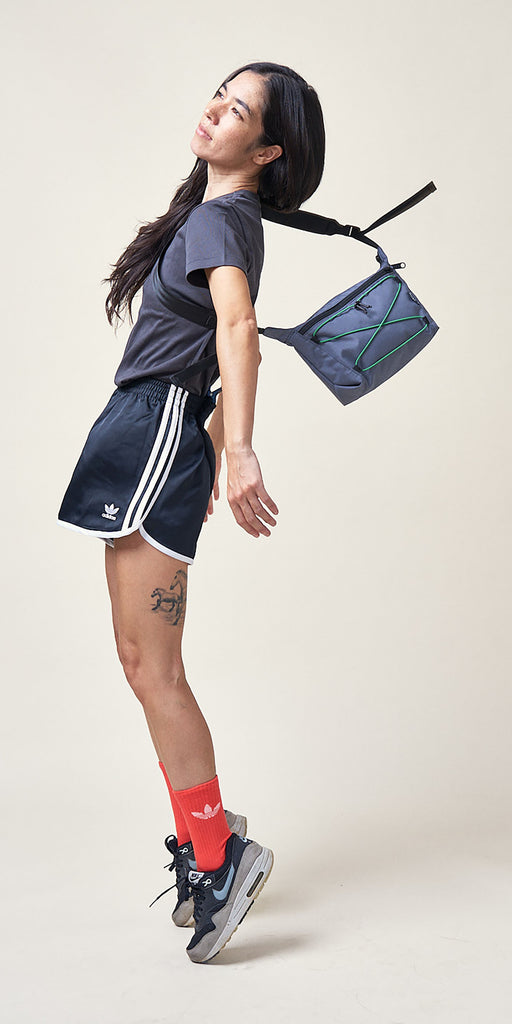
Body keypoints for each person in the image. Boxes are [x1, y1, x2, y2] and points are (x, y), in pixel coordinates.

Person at [57, 60, 325, 964]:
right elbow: (216, 339)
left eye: (239, 109)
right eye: (221, 93)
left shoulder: (221, 219)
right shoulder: (218, 216)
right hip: (156, 429)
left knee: (154, 667)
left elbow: (238, 332)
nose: (216, 109)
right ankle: (207, 840)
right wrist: (210, 443)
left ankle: (219, 857)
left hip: (152, 427)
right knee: (143, 662)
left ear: (269, 149)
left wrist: (235, 448)